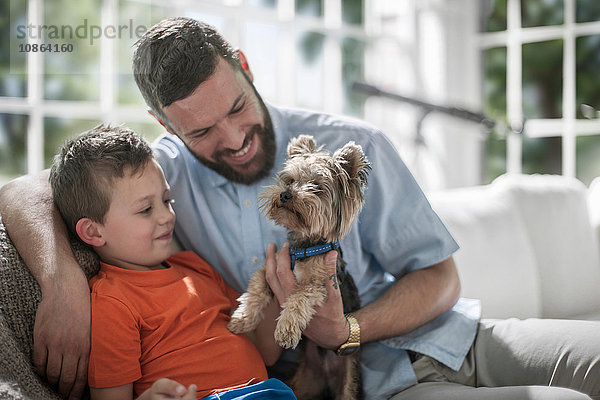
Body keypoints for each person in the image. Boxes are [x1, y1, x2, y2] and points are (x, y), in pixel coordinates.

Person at [0, 16, 599, 400]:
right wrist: (62, 283)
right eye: (202, 130)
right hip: (371, 386)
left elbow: (440, 276)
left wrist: (351, 327)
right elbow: (23, 191)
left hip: (455, 337)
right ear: (164, 125)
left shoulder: (347, 142)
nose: (232, 138)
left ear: (246, 67)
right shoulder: (161, 177)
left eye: (238, 107)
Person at [47, 124, 298, 400]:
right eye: (146, 209)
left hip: (267, 392)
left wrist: (274, 290)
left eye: (167, 200)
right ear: (94, 232)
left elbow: (266, 353)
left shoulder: (194, 267)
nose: (167, 216)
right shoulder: (113, 303)